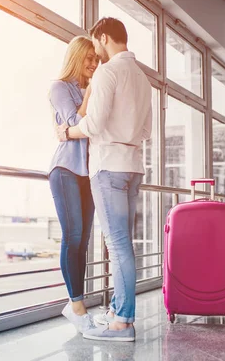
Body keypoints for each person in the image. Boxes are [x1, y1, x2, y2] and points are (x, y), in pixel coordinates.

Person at [56, 17, 152, 342]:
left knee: (118, 244)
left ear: (104, 37)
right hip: (134, 165)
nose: (95, 53)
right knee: (125, 243)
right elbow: (147, 131)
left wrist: (67, 132)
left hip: (108, 165)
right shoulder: (143, 78)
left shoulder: (107, 72)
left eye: (96, 44)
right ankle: (116, 310)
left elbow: (93, 125)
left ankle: (122, 322)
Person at [48, 35, 99, 333]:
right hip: (66, 169)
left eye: (96, 59)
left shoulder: (94, 90)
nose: (93, 63)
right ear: (76, 58)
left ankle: (77, 305)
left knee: (84, 241)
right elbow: (72, 122)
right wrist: (92, 91)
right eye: (88, 58)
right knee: (73, 235)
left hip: (89, 173)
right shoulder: (60, 87)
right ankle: (77, 305)